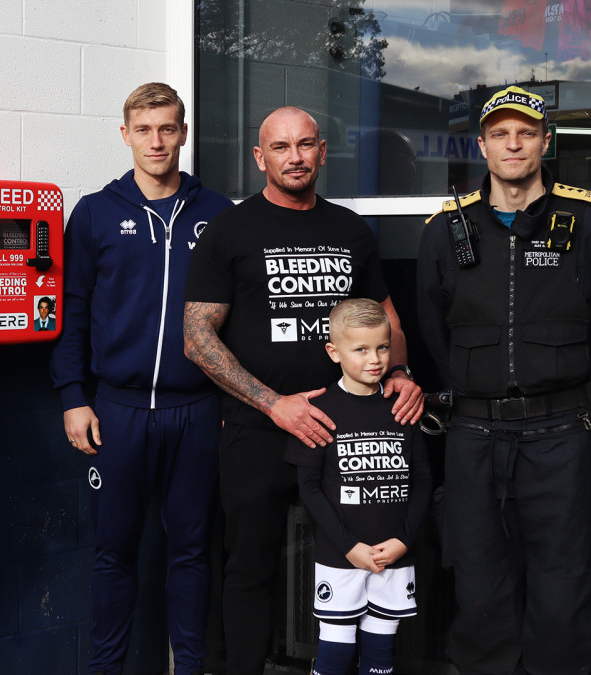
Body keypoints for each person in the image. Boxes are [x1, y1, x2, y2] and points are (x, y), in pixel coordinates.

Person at [182, 106, 422, 675]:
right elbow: (196, 337)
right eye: (281, 147)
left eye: (306, 145)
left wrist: (401, 374)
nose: (295, 157)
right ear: (260, 158)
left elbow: (384, 319)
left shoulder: (349, 229)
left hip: (348, 432)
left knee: (360, 561)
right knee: (250, 567)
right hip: (258, 431)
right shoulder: (231, 229)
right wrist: (273, 404)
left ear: (321, 152)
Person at [416, 85, 591, 675]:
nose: (513, 144)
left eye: (526, 133)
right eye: (500, 134)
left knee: (564, 582)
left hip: (564, 434)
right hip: (473, 437)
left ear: (545, 142)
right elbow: (432, 332)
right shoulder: (445, 232)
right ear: (482, 146)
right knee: (479, 579)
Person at [51, 82, 234, 675]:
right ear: (125, 134)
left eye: (168, 128)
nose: (157, 141)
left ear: (183, 133)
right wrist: (73, 396)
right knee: (113, 554)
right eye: (144, 129)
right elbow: (72, 308)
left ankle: (192, 666)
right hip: (118, 410)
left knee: (191, 553)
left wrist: (232, 398)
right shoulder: (96, 212)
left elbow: (239, 319)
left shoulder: (219, 215)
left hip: (197, 411)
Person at [283, 298, 431, 675]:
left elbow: (423, 480)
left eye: (382, 347)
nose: (375, 359)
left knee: (381, 659)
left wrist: (404, 540)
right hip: (340, 558)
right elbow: (309, 487)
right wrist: (348, 546)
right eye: (361, 349)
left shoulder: (403, 408)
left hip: (393, 557)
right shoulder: (320, 410)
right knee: (335, 658)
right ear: (334, 352)